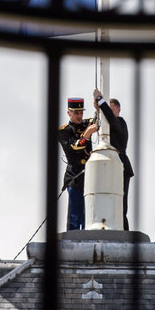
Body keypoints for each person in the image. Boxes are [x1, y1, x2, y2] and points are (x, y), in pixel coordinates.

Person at [94, 89, 134, 231]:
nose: (108, 113)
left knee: (121, 205)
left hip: (121, 167)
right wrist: (99, 110)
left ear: (118, 110)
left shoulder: (120, 123)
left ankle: (124, 232)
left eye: (111, 110)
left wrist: (100, 100)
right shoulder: (107, 125)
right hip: (108, 166)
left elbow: (112, 120)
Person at [57, 97, 96, 230]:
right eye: (76, 113)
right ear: (69, 113)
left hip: (89, 176)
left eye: (81, 112)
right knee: (74, 216)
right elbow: (74, 148)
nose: (80, 116)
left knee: (88, 216)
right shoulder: (64, 131)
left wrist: (97, 106)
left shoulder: (85, 124)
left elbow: (97, 119)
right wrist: (86, 135)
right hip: (75, 177)